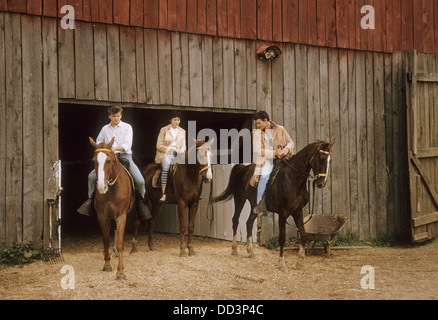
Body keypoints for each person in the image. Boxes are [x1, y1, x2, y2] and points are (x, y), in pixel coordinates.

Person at [77, 106, 152, 220]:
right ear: (109, 116)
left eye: (118, 116)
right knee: (91, 177)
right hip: (108, 157)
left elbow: (127, 145)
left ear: (121, 116)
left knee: (141, 181)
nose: (116, 118)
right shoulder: (104, 129)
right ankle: (90, 200)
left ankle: (141, 203)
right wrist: (103, 148)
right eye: (114, 116)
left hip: (125, 156)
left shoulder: (127, 127)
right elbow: (98, 140)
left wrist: (114, 148)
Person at [252, 111, 294, 214]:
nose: (257, 126)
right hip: (268, 160)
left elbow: (290, 142)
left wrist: (286, 150)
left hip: (284, 158)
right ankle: (259, 204)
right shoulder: (257, 134)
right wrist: (274, 153)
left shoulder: (280, 129)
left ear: (265, 120)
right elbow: (259, 151)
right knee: (264, 177)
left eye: (259, 123)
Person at [154, 111, 186, 203]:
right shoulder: (164, 130)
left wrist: (181, 150)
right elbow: (158, 145)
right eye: (175, 120)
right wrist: (170, 149)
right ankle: (164, 194)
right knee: (166, 168)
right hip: (166, 154)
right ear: (170, 120)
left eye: (178, 120)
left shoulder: (182, 131)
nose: (177, 122)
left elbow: (184, 145)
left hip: (178, 155)